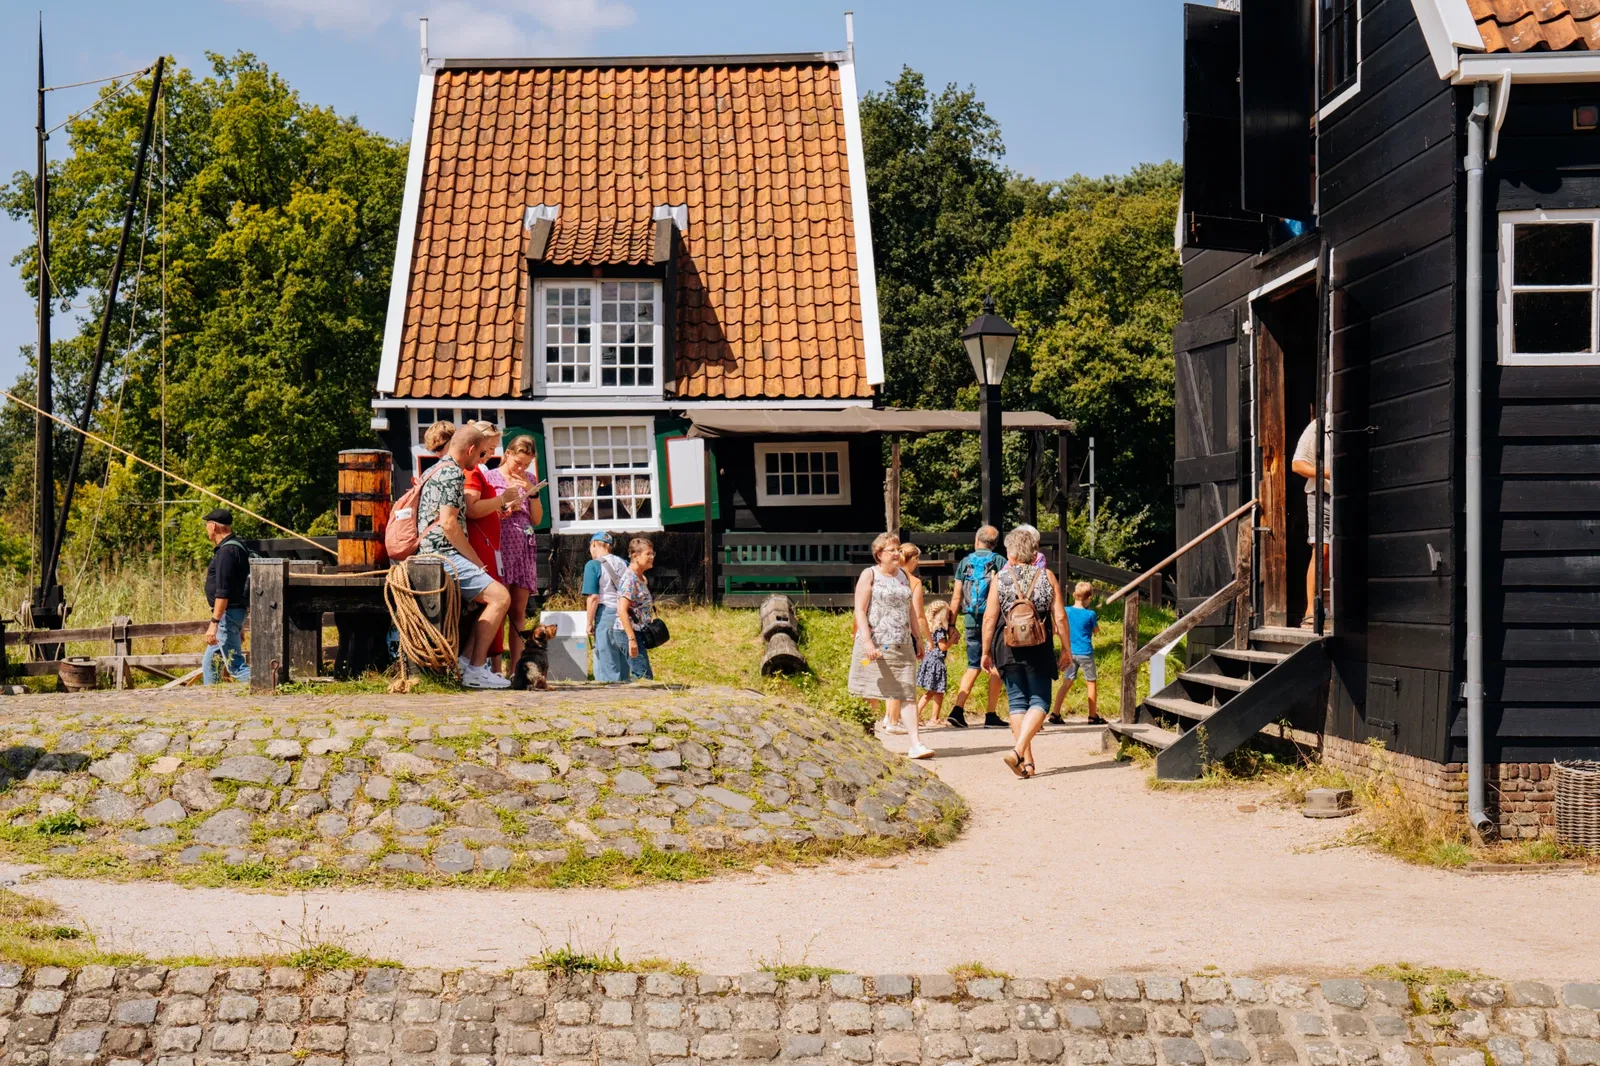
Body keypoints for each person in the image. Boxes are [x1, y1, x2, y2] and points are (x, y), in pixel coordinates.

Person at [416, 424, 512, 689]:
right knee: (501, 597)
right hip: (442, 554)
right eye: (481, 453)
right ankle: (476, 671)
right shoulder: (452, 474)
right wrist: (475, 561)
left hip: (430, 551)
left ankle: (465, 663)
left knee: (485, 601)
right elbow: (449, 524)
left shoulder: (433, 469)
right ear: (470, 449)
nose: (482, 460)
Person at [981, 525, 1070, 779]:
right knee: (1040, 701)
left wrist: (986, 651)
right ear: (1034, 552)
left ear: (1010, 554)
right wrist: (1066, 648)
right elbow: (1061, 617)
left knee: (1017, 703)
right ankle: (1019, 751)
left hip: (1006, 645)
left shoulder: (1001, 578)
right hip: (1038, 645)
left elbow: (989, 618)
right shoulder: (1047, 577)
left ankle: (1026, 762)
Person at [849, 532, 933, 759]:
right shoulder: (870, 575)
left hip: (902, 643)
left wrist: (918, 638)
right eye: (892, 550)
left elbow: (911, 612)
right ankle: (864, 741)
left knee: (907, 692)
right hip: (875, 645)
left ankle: (916, 744)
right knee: (870, 691)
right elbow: (859, 609)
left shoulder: (904, 577)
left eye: (898, 549)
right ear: (879, 554)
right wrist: (867, 641)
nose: (897, 553)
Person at [463, 421, 520, 672]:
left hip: (487, 544)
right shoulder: (473, 471)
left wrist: (499, 508)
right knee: (494, 600)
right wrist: (501, 499)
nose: (491, 454)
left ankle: (473, 662)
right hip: (480, 547)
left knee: (487, 604)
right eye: (490, 447)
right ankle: (477, 664)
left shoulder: (478, 470)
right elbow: (472, 509)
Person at [947, 525, 1006, 729]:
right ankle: (990, 714)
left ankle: (957, 710)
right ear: (996, 543)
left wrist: (951, 624)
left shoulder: (965, 562)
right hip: (995, 622)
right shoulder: (999, 561)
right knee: (996, 665)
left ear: (976, 540)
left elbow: (956, 597)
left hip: (971, 620)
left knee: (973, 665)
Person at [498, 429, 545, 669]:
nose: (520, 468)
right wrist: (505, 507)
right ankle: (494, 666)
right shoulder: (492, 478)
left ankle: (515, 667)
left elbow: (537, 519)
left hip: (524, 548)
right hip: (501, 546)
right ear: (507, 454)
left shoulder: (530, 480)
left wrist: (532, 494)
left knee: (519, 610)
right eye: (518, 462)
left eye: (526, 464)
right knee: (499, 607)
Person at [201, 508, 252, 685]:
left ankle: (268, 686)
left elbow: (223, 591)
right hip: (234, 614)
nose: (207, 529)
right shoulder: (238, 547)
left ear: (213, 526)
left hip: (226, 615)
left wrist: (214, 623)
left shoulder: (226, 552)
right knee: (210, 663)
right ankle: (210, 698)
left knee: (235, 666)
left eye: (207, 525)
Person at [1291, 416, 1333, 628]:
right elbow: (1297, 464)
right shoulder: (1319, 425)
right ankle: (1311, 611)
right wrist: (1327, 473)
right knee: (1322, 551)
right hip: (1321, 495)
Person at [1049, 581, 1103, 723]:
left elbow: (1058, 628)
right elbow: (1096, 631)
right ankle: (1092, 716)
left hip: (1069, 652)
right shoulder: (1090, 614)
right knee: (1091, 682)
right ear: (1089, 598)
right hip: (1086, 652)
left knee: (1067, 682)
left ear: (1074, 595)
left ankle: (1055, 713)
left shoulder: (1066, 611)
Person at [582, 532, 630, 682]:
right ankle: (624, 687)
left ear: (594, 544)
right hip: (624, 613)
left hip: (606, 613)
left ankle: (610, 692)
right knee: (622, 655)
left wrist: (589, 622)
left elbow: (593, 597)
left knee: (606, 656)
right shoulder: (624, 563)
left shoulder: (593, 565)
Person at [614, 537, 657, 681]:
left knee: (642, 674)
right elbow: (622, 610)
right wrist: (631, 638)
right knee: (643, 676)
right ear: (635, 556)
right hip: (628, 632)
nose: (652, 557)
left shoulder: (641, 578)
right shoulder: (630, 579)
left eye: (652, 553)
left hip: (639, 631)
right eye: (648, 554)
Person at [916, 600, 953, 726]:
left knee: (938, 691)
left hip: (930, 660)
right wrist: (952, 641)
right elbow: (942, 647)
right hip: (936, 662)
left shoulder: (931, 628)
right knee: (932, 691)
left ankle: (934, 717)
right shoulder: (940, 630)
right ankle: (917, 714)